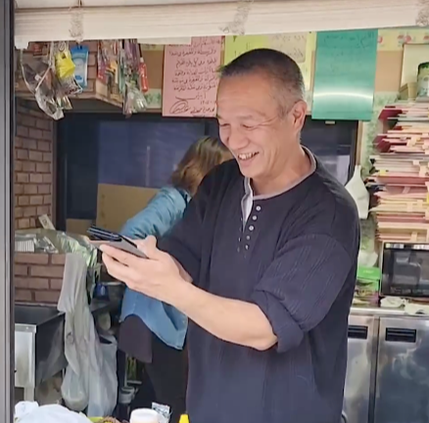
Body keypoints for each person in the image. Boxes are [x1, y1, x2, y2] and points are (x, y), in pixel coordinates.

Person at [101, 49, 360, 423]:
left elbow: (263, 328)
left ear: (296, 117)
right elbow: (182, 260)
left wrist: (168, 288)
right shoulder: (221, 184)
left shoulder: (328, 214)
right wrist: (138, 263)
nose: (234, 141)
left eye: (249, 124)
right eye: (224, 124)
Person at [116, 136, 231, 422]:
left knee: (159, 394)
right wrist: (159, 266)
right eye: (225, 170)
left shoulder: (198, 205)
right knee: (172, 397)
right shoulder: (175, 200)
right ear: (208, 168)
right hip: (153, 318)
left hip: (169, 320)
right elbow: (132, 232)